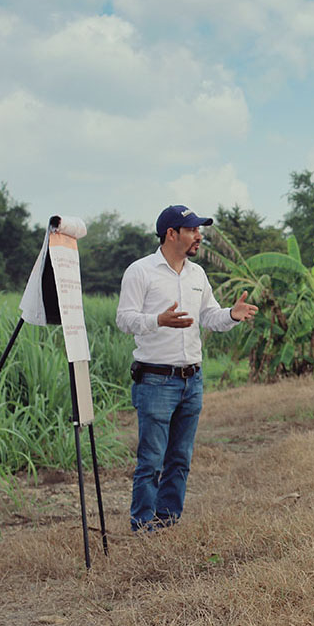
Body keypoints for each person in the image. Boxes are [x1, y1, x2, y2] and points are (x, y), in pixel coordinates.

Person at [117, 205, 258, 532]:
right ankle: (143, 525)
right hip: (154, 380)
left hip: (191, 380)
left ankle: (168, 521)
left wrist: (232, 315)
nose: (199, 236)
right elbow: (124, 319)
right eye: (193, 230)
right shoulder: (141, 271)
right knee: (151, 461)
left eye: (200, 230)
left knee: (180, 459)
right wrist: (157, 320)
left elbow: (209, 317)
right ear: (171, 234)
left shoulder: (197, 275)